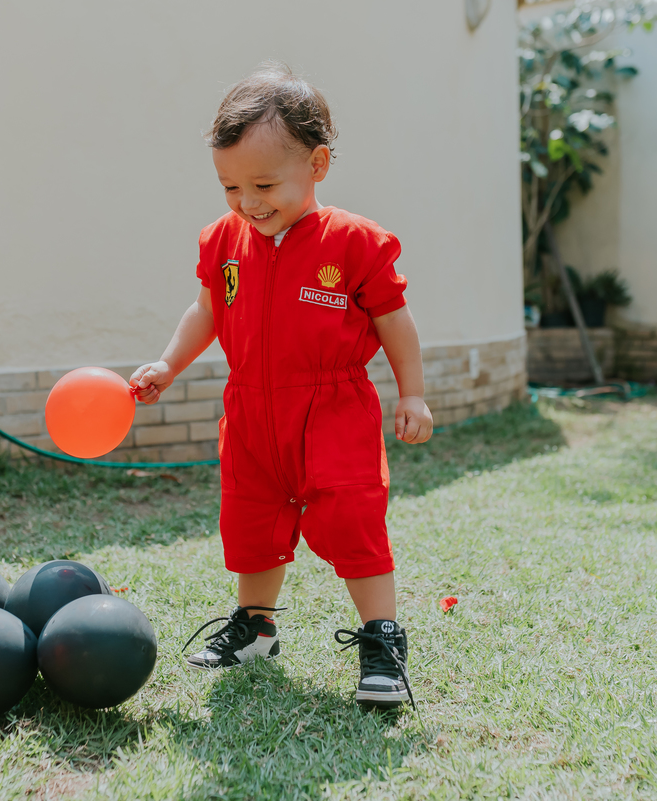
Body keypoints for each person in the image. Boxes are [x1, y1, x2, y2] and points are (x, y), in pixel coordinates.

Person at [130, 63, 432, 709]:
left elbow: (395, 323)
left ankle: (382, 638)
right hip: (251, 408)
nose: (247, 201)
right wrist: (167, 363)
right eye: (230, 186)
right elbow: (208, 309)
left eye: (264, 183)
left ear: (318, 165)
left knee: (352, 516)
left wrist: (413, 393)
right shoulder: (225, 241)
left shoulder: (355, 242)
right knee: (250, 516)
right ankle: (255, 626)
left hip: (333, 405)